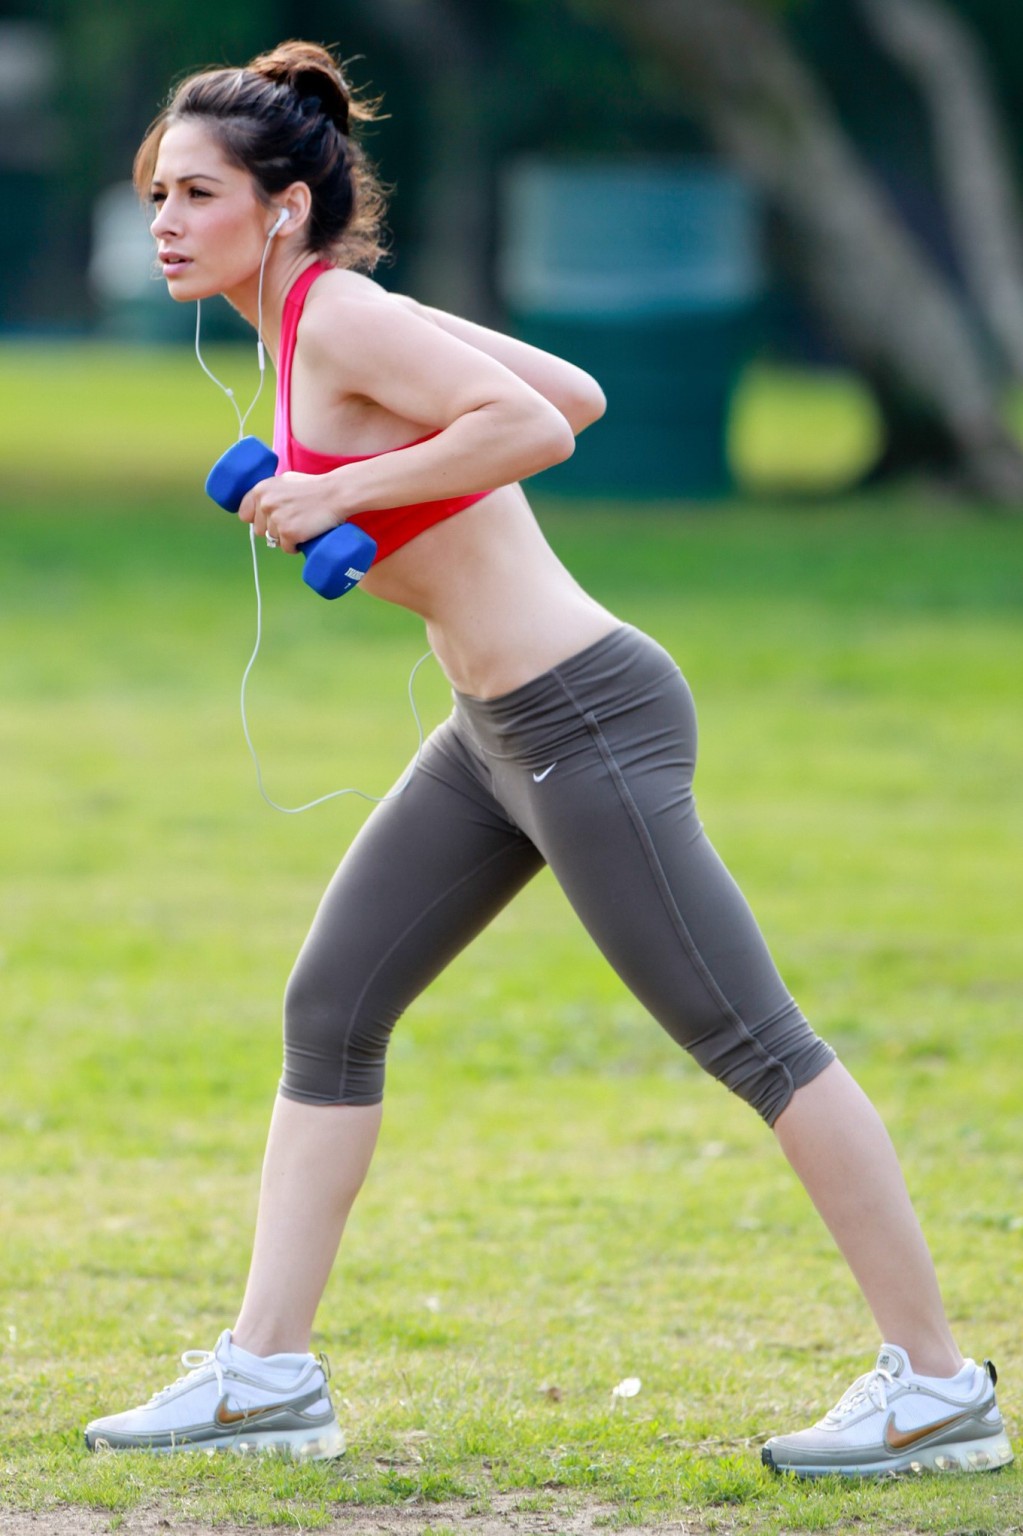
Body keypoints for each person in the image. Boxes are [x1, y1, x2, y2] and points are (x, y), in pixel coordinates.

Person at [84, 41, 1012, 1479]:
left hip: (583, 717)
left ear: (280, 210)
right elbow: (570, 388)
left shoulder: (335, 323)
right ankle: (268, 1374)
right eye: (159, 191)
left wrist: (345, 485)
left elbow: (528, 434)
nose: (163, 218)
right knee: (332, 1007)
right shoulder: (329, 320)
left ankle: (940, 1386)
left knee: (757, 1044)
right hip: (491, 734)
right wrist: (371, 454)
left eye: (195, 193)